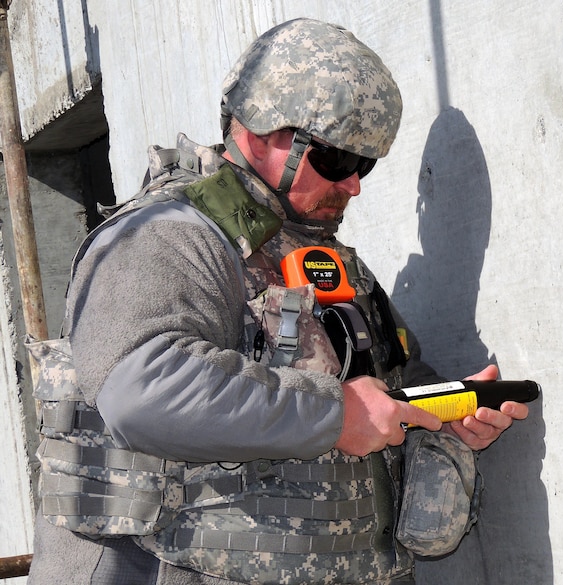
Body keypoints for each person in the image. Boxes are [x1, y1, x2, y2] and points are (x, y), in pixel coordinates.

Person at [26, 18, 529, 585]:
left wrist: (448, 422)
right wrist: (336, 413)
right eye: (337, 160)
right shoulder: (166, 235)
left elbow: (390, 398)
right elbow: (141, 387)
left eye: (365, 166)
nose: (355, 185)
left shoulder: (332, 262)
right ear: (263, 133)